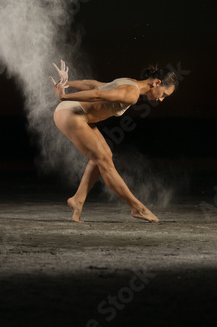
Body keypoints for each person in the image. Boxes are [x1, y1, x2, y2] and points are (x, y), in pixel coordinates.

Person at [50, 61, 178, 223]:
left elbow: (95, 85)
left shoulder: (130, 83)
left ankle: (77, 200)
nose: (161, 99)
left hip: (77, 114)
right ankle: (137, 208)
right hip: (71, 114)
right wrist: (64, 95)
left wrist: (66, 83)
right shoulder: (132, 94)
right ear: (157, 83)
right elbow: (98, 94)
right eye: (164, 94)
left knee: (104, 156)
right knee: (104, 161)